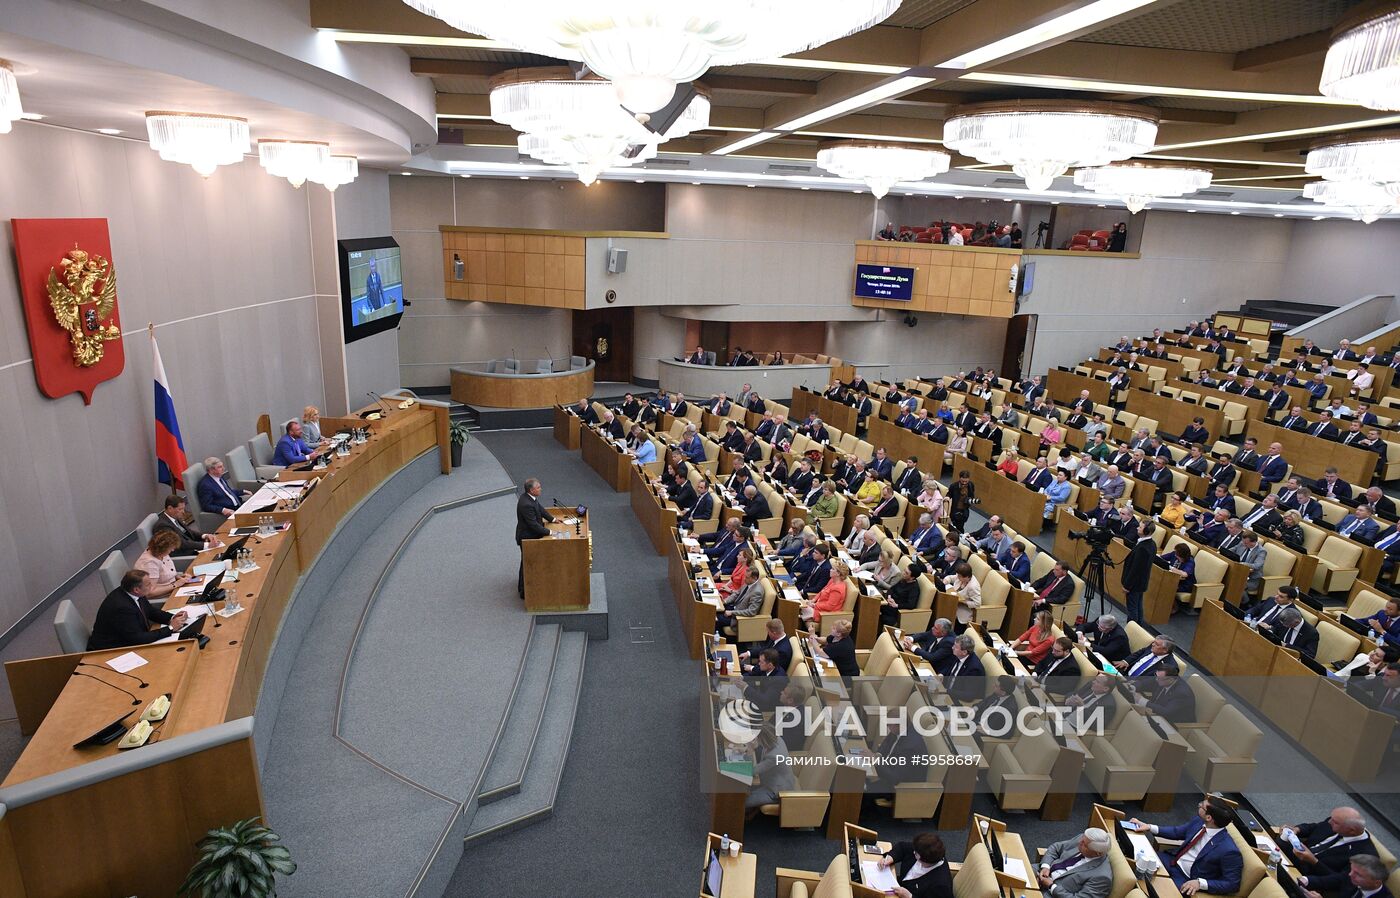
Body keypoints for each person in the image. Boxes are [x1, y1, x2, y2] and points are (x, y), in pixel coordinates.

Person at [1130, 797, 1243, 895]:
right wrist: (1149, 827)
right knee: (1134, 861)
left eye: (1202, 806)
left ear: (1209, 818)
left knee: (1152, 891)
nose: (1198, 805)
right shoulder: (1199, 821)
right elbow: (1177, 832)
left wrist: (1200, 883)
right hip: (1171, 861)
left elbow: (1232, 884)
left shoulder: (1229, 850)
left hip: (1185, 878)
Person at [87, 569, 190, 650]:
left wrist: (172, 617)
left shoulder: (133, 592)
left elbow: (150, 611)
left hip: (132, 637)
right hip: (112, 648)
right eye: (148, 584)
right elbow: (137, 639)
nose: (152, 586)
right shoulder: (122, 608)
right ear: (136, 589)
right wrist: (170, 628)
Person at [1037, 828, 1113, 898]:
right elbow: (1056, 847)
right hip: (1041, 871)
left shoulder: (1102, 878)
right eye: (1082, 839)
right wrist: (1045, 866)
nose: (1080, 842)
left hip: (1051, 895)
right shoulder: (1084, 839)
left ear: (1097, 853)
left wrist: (1051, 886)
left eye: (1084, 845)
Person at [877, 833, 954, 898]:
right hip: (898, 886)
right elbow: (902, 847)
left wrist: (909, 896)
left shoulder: (941, 886)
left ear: (924, 859)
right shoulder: (922, 849)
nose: (913, 852)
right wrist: (890, 858)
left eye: (916, 853)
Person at [515, 477, 554, 597]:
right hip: (527, 537)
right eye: (538, 487)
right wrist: (550, 532)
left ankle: (525, 587)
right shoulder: (526, 504)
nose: (540, 489)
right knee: (527, 563)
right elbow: (533, 525)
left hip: (531, 534)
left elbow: (540, 509)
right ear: (531, 490)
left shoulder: (530, 498)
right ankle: (523, 591)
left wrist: (553, 519)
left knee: (528, 562)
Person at [744, 725, 795, 812]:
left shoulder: (774, 756)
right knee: (740, 792)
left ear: (763, 739)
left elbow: (751, 771)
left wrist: (750, 750)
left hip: (775, 791)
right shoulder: (777, 739)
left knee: (743, 802)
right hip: (770, 781)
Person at [133, 530, 196, 602]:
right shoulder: (149, 564)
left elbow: (165, 572)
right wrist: (175, 585)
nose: (172, 550)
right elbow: (150, 592)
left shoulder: (160, 552)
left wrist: (178, 576)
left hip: (174, 589)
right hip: (164, 597)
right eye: (171, 548)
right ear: (162, 548)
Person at [153, 495, 219, 554]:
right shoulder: (163, 525)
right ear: (170, 508)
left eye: (183, 509)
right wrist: (207, 545)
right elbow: (181, 543)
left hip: (191, 547)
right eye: (180, 509)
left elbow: (189, 532)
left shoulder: (174, 517)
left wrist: (205, 536)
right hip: (184, 554)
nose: (183, 512)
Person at [1121, 519, 1156, 624]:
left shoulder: (1143, 548)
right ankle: (1139, 627)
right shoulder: (1152, 544)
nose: (1137, 528)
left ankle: (1132, 629)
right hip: (1141, 583)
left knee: (1132, 609)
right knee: (1138, 606)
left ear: (1146, 531)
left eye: (1140, 527)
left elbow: (1135, 570)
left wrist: (1127, 586)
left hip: (1134, 584)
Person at [942, 634, 985, 702]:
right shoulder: (958, 654)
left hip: (956, 699)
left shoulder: (974, 669)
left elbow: (968, 695)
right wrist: (941, 675)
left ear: (964, 652)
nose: (952, 648)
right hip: (945, 690)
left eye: (956, 647)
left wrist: (945, 691)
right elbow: (949, 666)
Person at [945, 562, 982, 627]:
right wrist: (946, 580)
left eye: (959, 576)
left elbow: (977, 603)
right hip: (953, 602)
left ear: (967, 577)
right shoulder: (960, 576)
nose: (957, 577)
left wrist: (963, 602)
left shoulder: (973, 586)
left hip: (963, 609)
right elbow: (950, 578)